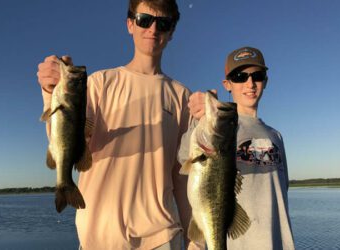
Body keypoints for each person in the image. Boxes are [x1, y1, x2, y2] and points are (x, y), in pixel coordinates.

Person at [37, 0, 202, 249]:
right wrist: (50, 91)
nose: (153, 29)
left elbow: (183, 180)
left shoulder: (181, 97)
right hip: (98, 236)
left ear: (171, 32)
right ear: (129, 24)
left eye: (163, 23)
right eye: (144, 20)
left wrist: (195, 242)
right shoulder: (98, 83)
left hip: (163, 237)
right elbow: (62, 138)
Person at [178, 46, 295, 249]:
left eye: (257, 75)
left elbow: (282, 190)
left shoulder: (276, 136)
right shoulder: (218, 125)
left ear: (265, 81)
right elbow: (183, 157)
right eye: (240, 76)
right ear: (227, 84)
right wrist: (200, 118)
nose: (250, 83)